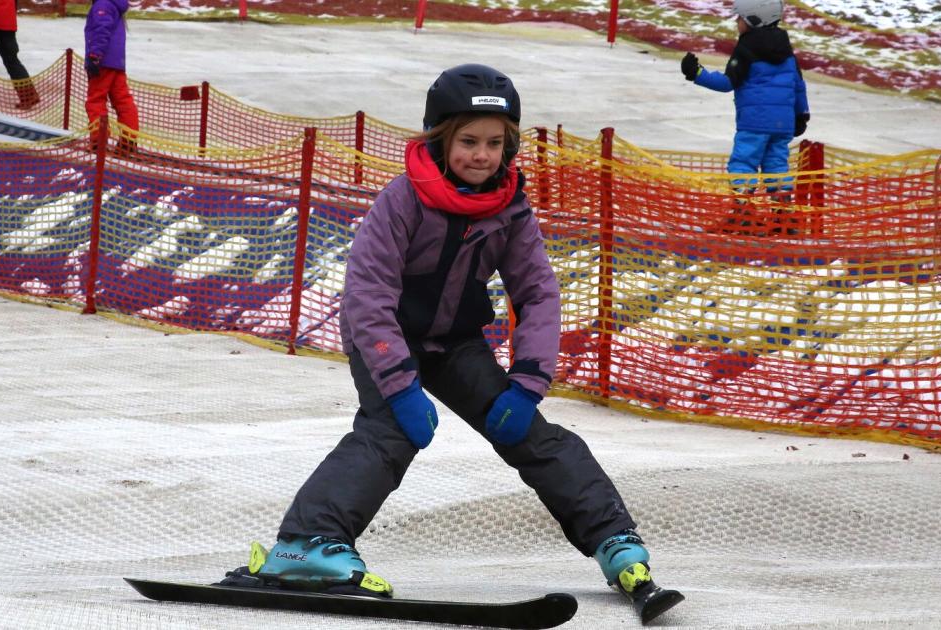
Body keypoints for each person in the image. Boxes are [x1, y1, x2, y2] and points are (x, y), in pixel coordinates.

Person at [216, 64, 682, 620]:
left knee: (532, 435)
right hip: (385, 337)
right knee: (391, 431)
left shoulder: (508, 205)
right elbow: (367, 295)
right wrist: (398, 382)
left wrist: (529, 380)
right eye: (467, 141)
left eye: (493, 143)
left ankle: (615, 542)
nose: (481, 155)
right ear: (440, 139)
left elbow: (536, 292)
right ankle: (306, 545)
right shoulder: (404, 200)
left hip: (455, 342)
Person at [680, 0, 810, 233]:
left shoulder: (747, 48)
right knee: (777, 166)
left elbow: (728, 82)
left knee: (743, 164)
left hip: (754, 123)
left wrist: (696, 74)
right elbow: (798, 84)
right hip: (782, 125)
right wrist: (802, 114)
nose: (736, 22)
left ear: (754, 19)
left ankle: (744, 215)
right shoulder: (786, 49)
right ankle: (784, 219)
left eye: (740, 18)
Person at [83, 0, 138, 152]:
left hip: (103, 62)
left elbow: (102, 30)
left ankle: (98, 142)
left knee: (95, 100)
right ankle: (129, 141)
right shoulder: (114, 5)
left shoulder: (103, 5)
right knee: (123, 100)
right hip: (117, 64)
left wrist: (95, 56)